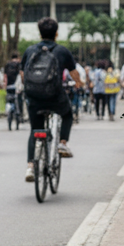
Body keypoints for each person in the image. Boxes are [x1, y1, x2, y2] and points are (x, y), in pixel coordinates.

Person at [21, 17, 80, 180]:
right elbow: (74, 74)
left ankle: (30, 167)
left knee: (35, 130)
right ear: (56, 33)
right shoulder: (62, 51)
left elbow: (22, 75)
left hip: (34, 98)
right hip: (55, 97)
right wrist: (79, 84)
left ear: (40, 33)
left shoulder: (30, 50)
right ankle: (62, 143)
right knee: (67, 115)